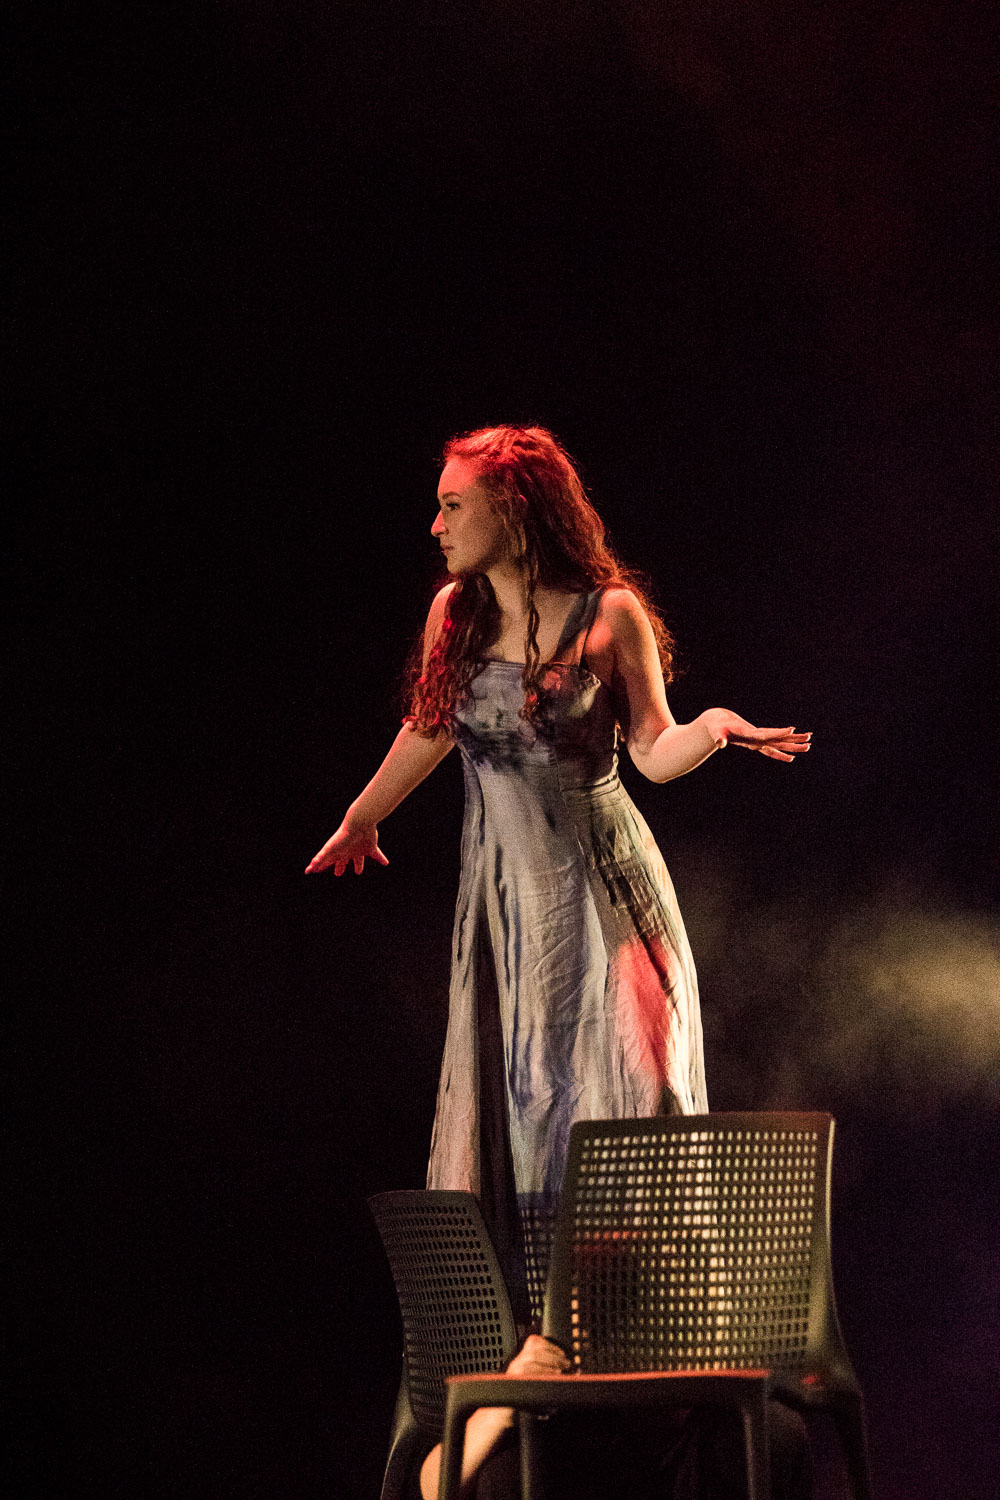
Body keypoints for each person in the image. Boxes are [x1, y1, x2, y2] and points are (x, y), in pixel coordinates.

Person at [306, 425, 810, 1314]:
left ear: (512, 508)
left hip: (603, 891)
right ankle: (541, 1326)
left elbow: (651, 749)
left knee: (623, 1087)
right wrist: (364, 814)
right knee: (528, 1098)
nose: (436, 526)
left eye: (453, 506)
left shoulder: (608, 614)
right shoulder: (455, 615)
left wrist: (712, 728)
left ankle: (634, 1317)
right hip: (507, 904)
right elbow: (430, 725)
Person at [415, 1334, 813, 1500]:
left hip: (691, 1440)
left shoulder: (729, 1431)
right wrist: (501, 1405)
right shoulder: (548, 1366)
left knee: (774, 1434)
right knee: (507, 1475)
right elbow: (434, 1485)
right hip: (582, 1461)